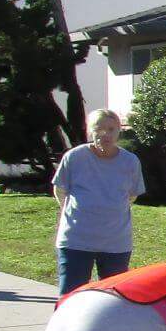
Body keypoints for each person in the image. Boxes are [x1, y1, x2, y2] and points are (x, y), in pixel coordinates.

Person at [53, 109, 146, 295]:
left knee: (114, 299)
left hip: (115, 244)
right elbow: (60, 189)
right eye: (99, 129)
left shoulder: (130, 161)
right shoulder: (74, 157)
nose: (106, 134)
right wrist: (73, 213)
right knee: (71, 297)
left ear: (119, 131)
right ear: (90, 131)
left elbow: (132, 196)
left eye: (111, 129)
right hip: (76, 241)